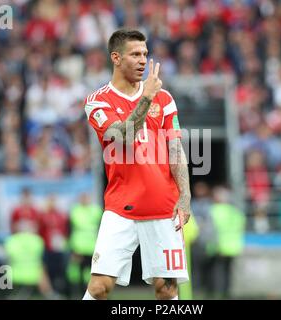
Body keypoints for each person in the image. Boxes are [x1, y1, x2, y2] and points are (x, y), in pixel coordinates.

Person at [82, 29, 192, 300]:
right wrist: (147, 98)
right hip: (121, 208)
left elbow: (175, 148)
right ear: (116, 58)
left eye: (145, 53)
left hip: (163, 207)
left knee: (166, 290)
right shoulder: (97, 102)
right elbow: (122, 136)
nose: (143, 60)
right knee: (98, 287)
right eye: (135, 54)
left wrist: (185, 196)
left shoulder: (164, 99)